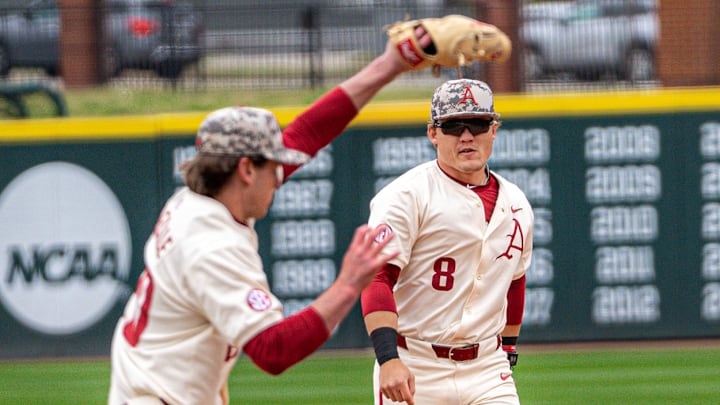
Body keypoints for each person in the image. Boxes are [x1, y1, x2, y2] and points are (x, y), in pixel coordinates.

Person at [107, 33, 429, 405]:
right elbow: (273, 351)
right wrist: (347, 286)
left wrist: (391, 64)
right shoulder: (211, 247)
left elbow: (306, 134)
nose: (281, 175)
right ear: (245, 169)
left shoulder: (197, 198)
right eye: (274, 166)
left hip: (148, 384)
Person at [361, 78, 534, 405]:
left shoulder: (517, 203)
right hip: (416, 363)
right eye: (453, 126)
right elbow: (377, 278)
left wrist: (508, 347)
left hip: (486, 366)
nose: (467, 135)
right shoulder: (405, 196)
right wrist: (388, 358)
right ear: (433, 133)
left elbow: (514, 279)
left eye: (478, 124)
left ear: (494, 130)